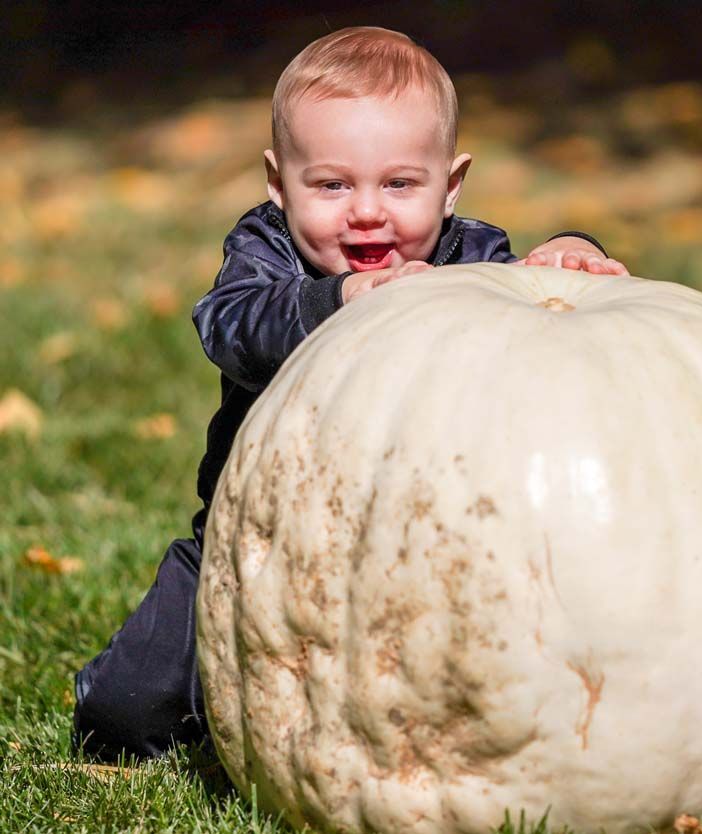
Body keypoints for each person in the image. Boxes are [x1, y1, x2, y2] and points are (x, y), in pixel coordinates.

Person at [72, 25, 628, 761]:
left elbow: (532, 302)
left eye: (400, 184)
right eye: (332, 185)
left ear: (450, 184)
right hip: (250, 550)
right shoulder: (268, 253)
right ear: (278, 184)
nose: (367, 211)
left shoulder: (469, 256)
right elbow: (231, 325)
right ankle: (196, 709)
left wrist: (571, 251)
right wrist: (338, 298)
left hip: (419, 556)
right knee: (127, 713)